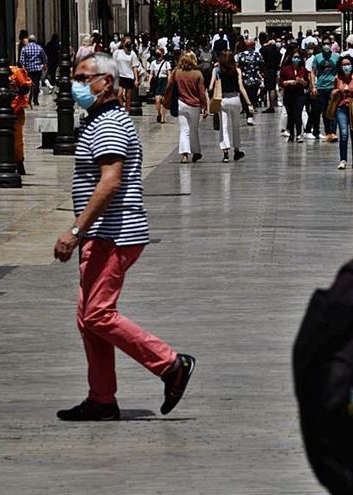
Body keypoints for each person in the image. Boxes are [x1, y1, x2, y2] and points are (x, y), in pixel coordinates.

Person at [55, 52, 195, 422]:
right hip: (106, 232)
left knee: (98, 314)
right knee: (88, 318)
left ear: (107, 82)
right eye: (75, 77)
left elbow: (110, 182)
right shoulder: (101, 120)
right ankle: (101, 399)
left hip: (113, 233)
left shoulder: (108, 125)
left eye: (84, 78)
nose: (77, 84)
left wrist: (74, 230)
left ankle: (170, 364)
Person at [0, 46, 32, 175]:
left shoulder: (14, 72)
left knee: (16, 139)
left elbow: (25, 87)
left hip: (15, 111)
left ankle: (19, 162)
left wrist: (14, 94)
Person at [209, 50, 255, 162]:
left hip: (223, 100)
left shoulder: (217, 70)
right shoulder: (237, 71)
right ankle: (237, 150)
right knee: (236, 126)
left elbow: (210, 87)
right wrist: (249, 103)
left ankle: (225, 152)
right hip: (235, 99)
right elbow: (241, 87)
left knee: (223, 126)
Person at [167, 51, 208, 163]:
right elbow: (202, 93)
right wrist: (205, 107)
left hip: (181, 103)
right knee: (194, 129)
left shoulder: (177, 72)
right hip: (194, 105)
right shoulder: (198, 74)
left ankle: (184, 155)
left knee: (184, 130)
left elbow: (169, 86)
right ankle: (196, 152)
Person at [332, 55, 353, 170]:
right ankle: (343, 159)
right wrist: (336, 92)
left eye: (348, 64)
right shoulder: (338, 78)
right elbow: (334, 92)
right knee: (344, 134)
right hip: (341, 108)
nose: (347, 66)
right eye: (344, 64)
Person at [311, 40, 340, 142]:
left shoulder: (336, 57)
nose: (326, 45)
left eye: (328, 43)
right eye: (324, 43)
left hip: (333, 87)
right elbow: (313, 72)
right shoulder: (317, 57)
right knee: (324, 111)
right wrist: (313, 86)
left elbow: (339, 71)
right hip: (321, 87)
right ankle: (328, 132)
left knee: (334, 109)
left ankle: (333, 132)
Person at [280, 49, 310, 143]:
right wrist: (289, 82)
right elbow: (281, 82)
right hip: (289, 94)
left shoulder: (303, 70)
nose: (296, 59)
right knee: (290, 115)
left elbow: (307, 84)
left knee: (298, 114)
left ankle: (299, 134)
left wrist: (301, 81)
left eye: (298, 57)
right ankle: (291, 133)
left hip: (300, 95)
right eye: (294, 57)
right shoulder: (285, 69)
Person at [236, 39, 263, 126]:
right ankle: (250, 115)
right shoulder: (258, 55)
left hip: (244, 80)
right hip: (254, 80)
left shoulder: (240, 55)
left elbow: (236, 66)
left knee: (244, 97)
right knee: (253, 97)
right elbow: (262, 65)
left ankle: (247, 109)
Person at [19, 34, 47, 106]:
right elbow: (44, 58)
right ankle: (35, 100)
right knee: (36, 83)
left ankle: (29, 99)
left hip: (28, 69)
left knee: (29, 84)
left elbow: (21, 60)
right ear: (35, 40)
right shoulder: (39, 48)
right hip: (37, 69)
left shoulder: (24, 48)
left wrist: (23, 67)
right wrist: (44, 64)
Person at [113, 38, 141, 112]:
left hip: (129, 76)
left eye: (130, 42)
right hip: (120, 76)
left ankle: (127, 111)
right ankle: (121, 109)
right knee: (119, 94)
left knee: (128, 97)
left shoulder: (132, 54)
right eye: (127, 42)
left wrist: (136, 79)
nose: (128, 44)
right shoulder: (117, 53)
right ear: (123, 43)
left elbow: (134, 67)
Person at [149, 47, 171, 123]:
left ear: (162, 53)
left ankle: (163, 117)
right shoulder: (153, 63)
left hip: (164, 80)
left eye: (158, 53)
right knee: (157, 100)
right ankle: (159, 113)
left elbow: (169, 74)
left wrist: (169, 84)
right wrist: (149, 82)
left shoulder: (166, 63)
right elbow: (151, 74)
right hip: (157, 81)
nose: (157, 54)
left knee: (164, 100)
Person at [260, 38, 282, 113]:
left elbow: (261, 54)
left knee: (269, 87)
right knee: (272, 87)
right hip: (274, 69)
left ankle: (271, 107)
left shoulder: (264, 49)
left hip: (267, 69)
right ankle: (272, 104)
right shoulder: (275, 49)